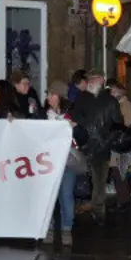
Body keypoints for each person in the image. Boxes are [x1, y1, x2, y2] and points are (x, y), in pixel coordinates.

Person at [68, 72, 126, 223]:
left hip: (87, 145)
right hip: (99, 146)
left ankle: (82, 209)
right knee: (98, 181)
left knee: (86, 179)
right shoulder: (109, 100)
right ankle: (97, 212)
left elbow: (74, 120)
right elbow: (118, 123)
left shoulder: (83, 98)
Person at [44, 81, 85, 247]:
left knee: (66, 194)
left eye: (51, 94)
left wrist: (75, 127)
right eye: (48, 94)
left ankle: (67, 229)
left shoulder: (72, 113)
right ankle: (49, 229)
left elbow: (83, 136)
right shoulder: (42, 113)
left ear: (59, 96)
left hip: (68, 161)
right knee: (48, 197)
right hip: (48, 162)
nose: (48, 97)